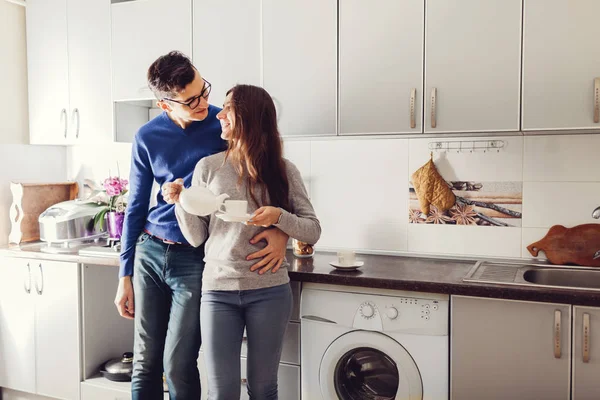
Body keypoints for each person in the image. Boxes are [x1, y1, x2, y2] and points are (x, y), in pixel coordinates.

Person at [114, 52, 290, 400]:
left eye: (203, 90)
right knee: (145, 363)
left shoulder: (222, 125)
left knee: (178, 363)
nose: (204, 103)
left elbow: (267, 175)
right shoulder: (147, 137)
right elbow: (136, 206)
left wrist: (282, 230)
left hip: (196, 255)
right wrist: (124, 274)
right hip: (150, 251)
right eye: (191, 99)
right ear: (165, 105)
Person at [162, 84, 321, 400]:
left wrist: (279, 218)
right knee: (222, 393)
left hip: (269, 292)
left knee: (264, 389)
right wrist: (181, 203)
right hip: (218, 292)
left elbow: (312, 230)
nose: (218, 114)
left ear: (249, 115)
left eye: (227, 107)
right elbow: (197, 237)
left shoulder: (284, 171)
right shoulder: (208, 167)